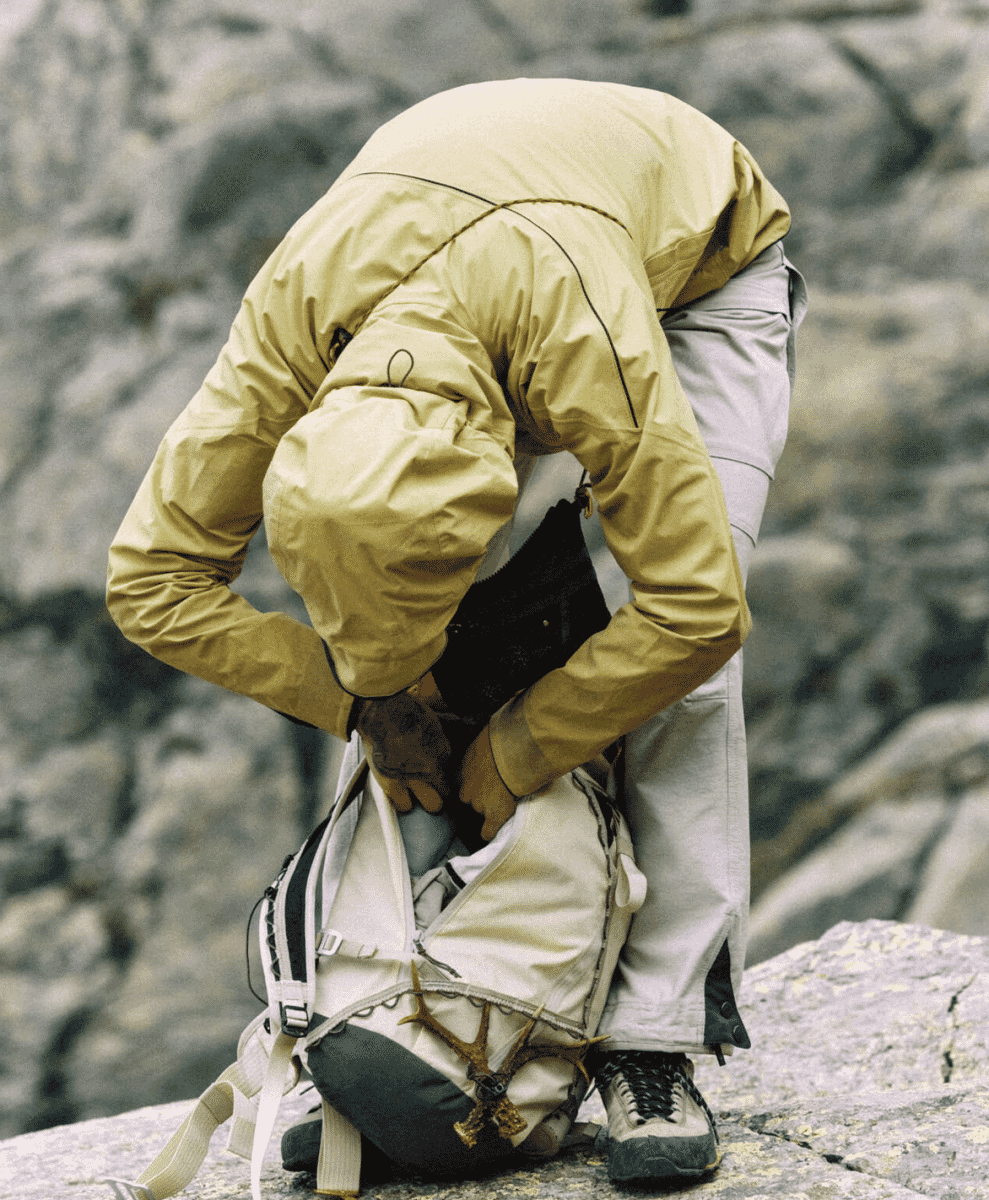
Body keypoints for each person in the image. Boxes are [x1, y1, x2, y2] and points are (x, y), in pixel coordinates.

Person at [107, 77, 806, 1187]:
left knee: (657, 651)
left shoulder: (587, 348)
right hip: (491, 256)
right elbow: (150, 581)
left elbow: (696, 613)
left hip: (687, 274)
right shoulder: (289, 331)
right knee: (453, 656)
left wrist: (517, 745)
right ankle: (398, 1012)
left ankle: (652, 1042)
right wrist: (370, 702)